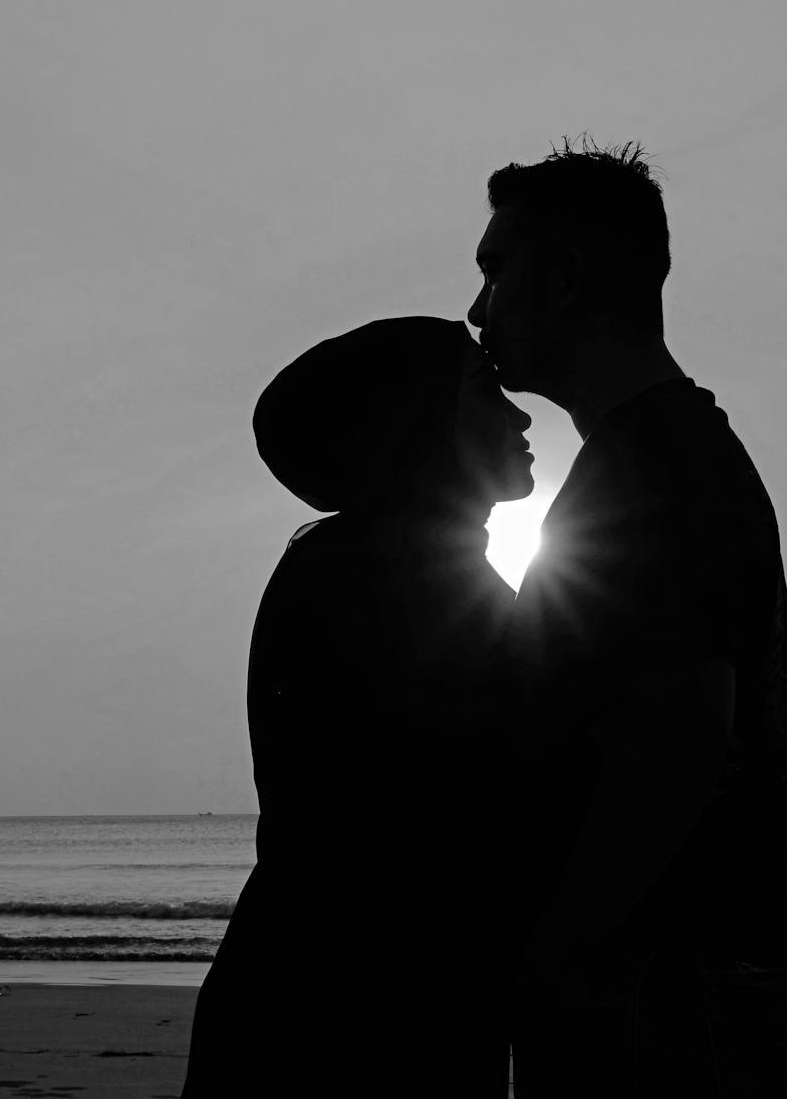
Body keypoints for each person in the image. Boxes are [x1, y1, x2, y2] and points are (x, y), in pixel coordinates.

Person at [470, 138, 787, 1097]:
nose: (477, 308)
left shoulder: (659, 468)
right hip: (677, 971)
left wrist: (557, 952)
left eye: (496, 271)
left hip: (664, 980)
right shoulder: (655, 457)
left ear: (570, 277)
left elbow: (680, 733)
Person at [179, 316, 531, 1098]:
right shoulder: (389, 580)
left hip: (356, 993)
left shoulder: (364, 567)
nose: (519, 415)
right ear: (420, 422)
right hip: (359, 1013)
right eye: (487, 391)